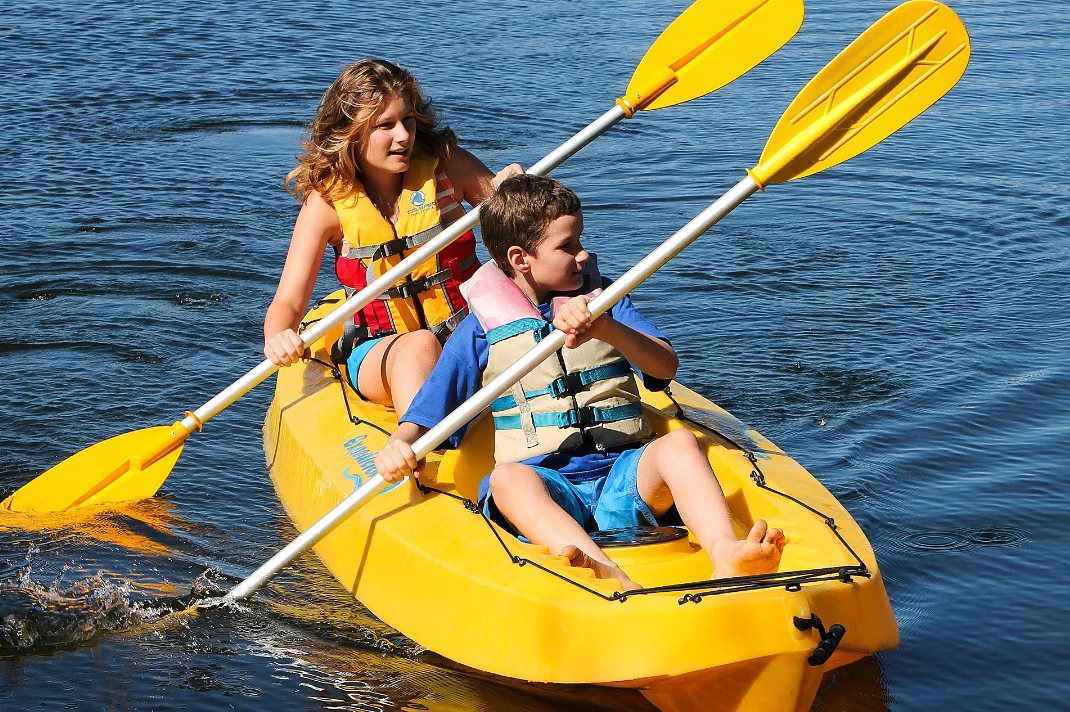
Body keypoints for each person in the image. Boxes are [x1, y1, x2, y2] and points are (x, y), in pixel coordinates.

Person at [374, 174, 785, 589]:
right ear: (520, 259)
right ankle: (605, 571)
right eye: (567, 246)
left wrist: (607, 329)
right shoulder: (479, 329)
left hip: (625, 475)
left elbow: (664, 367)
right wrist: (400, 443)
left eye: (580, 240)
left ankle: (725, 551)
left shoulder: (606, 300)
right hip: (548, 487)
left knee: (679, 444)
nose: (583, 255)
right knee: (506, 480)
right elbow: (431, 410)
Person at [264, 59, 521, 416]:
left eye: (408, 120)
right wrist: (278, 337)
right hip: (381, 348)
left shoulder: (448, 167)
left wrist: (515, 191)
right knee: (419, 346)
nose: (403, 135)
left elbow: (521, 231)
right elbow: (288, 302)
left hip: (467, 331)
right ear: (350, 134)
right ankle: (421, 449)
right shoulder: (326, 205)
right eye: (385, 125)